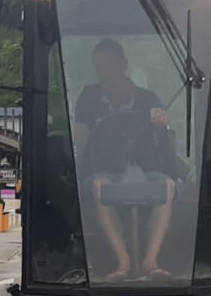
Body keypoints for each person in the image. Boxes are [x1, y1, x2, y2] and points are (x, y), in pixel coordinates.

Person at [70, 38, 179, 279]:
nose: (105, 73)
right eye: (99, 68)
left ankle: (151, 260)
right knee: (100, 186)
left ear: (123, 65)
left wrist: (161, 125)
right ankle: (123, 261)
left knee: (168, 186)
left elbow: (164, 146)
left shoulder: (148, 100)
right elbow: (82, 143)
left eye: (109, 67)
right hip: (103, 171)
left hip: (146, 170)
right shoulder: (88, 98)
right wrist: (84, 133)